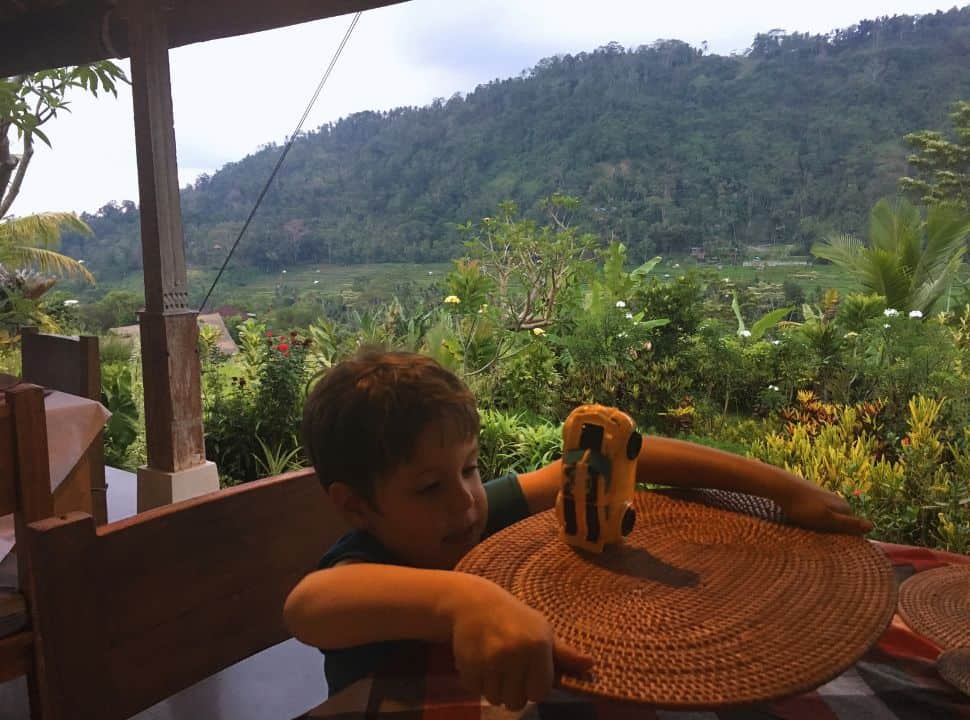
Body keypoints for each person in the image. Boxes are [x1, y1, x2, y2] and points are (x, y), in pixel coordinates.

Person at [284, 350, 872, 710]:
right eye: (428, 487)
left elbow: (617, 458)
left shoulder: (471, 517)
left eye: (469, 468)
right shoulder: (361, 562)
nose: (465, 498)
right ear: (356, 507)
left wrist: (780, 487)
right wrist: (467, 600)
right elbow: (309, 606)